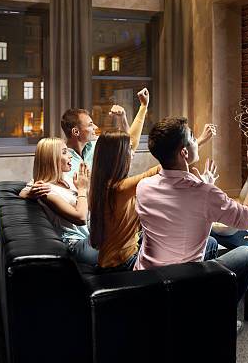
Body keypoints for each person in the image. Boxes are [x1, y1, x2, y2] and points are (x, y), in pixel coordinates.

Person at [133, 117, 248, 313]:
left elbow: (178, 194)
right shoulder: (205, 193)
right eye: (193, 138)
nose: (197, 141)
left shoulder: (143, 187)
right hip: (181, 284)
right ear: (184, 152)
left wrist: (203, 182)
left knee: (209, 242)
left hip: (145, 280)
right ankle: (219, 319)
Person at [90, 95, 219, 271]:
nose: (133, 151)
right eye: (129, 150)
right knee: (209, 243)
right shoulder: (119, 189)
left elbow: (132, 140)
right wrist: (196, 143)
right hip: (122, 264)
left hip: (113, 257)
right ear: (118, 157)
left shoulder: (103, 183)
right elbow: (164, 166)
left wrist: (143, 107)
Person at [19, 137, 98, 265]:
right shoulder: (46, 190)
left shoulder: (66, 179)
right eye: (65, 152)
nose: (70, 156)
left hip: (87, 237)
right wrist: (82, 190)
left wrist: (86, 188)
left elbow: (88, 208)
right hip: (76, 245)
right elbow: (81, 218)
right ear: (52, 159)